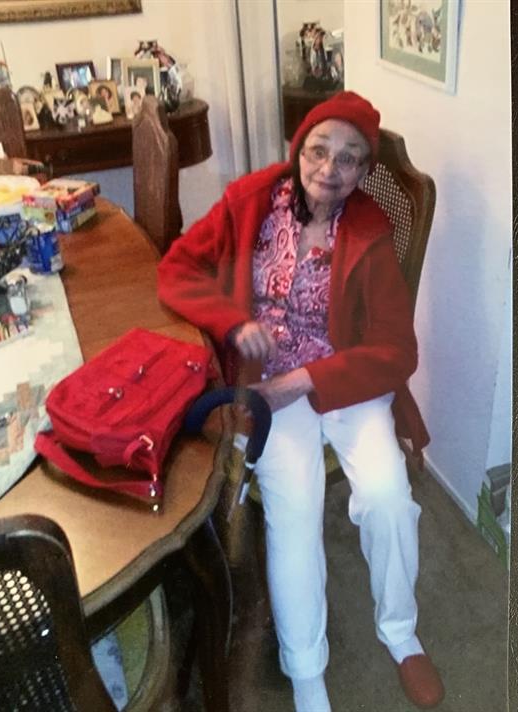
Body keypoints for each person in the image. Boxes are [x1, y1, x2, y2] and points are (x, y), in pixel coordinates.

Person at [157, 91, 445, 711]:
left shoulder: (369, 228)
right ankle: (307, 672)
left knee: (389, 498)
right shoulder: (249, 202)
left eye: (349, 157)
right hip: (268, 387)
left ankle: (400, 631)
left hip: (346, 381)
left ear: (364, 170)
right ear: (298, 149)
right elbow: (176, 269)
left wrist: (308, 380)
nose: (329, 168)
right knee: (294, 514)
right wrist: (234, 322)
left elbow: (397, 350)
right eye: (319, 150)